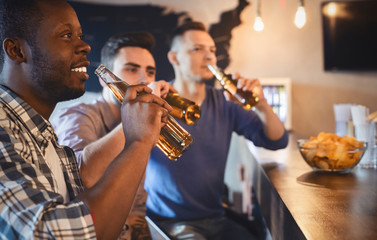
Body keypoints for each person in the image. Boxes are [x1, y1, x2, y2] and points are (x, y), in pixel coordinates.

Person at [0, 0, 171, 239]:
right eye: (67, 35)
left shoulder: (43, 133)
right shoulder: (4, 127)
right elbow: (57, 233)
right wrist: (138, 141)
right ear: (17, 51)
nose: (85, 46)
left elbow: (81, 189)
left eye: (80, 35)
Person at [144, 21, 289, 239]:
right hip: (170, 222)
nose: (210, 56)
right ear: (174, 58)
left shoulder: (225, 102)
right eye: (197, 49)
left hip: (216, 218)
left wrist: (262, 105)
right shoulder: (158, 102)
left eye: (212, 50)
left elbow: (277, 140)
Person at [50, 32, 173, 239]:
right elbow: (82, 178)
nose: (144, 79)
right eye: (131, 69)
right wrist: (133, 122)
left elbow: (136, 207)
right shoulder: (77, 115)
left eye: (150, 72)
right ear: (104, 79)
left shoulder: (145, 124)